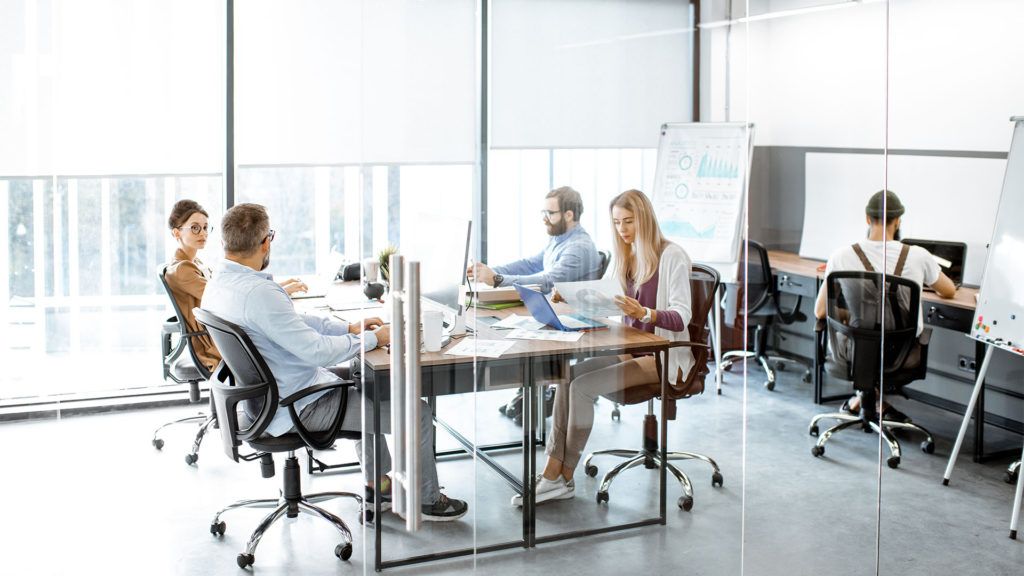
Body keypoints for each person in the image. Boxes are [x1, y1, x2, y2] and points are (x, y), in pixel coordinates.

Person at [201, 203, 467, 521]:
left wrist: (349, 328)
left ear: (226, 242)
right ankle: (427, 499)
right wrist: (375, 339)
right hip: (297, 406)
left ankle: (378, 484)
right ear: (265, 241)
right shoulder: (259, 292)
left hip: (265, 399)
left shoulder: (218, 285)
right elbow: (317, 352)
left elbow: (293, 322)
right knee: (417, 412)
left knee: (368, 381)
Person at [514, 189, 693, 506]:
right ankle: (552, 472)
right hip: (631, 350)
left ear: (645, 219)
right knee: (565, 377)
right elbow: (604, 301)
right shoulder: (629, 256)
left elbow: (681, 316)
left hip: (663, 357)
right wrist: (568, 296)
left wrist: (645, 314)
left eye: (629, 221)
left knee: (582, 387)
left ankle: (563, 476)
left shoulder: (672, 256)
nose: (623, 230)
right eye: (617, 223)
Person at [814, 189, 956, 422]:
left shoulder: (840, 256)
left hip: (854, 351)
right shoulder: (919, 256)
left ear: (867, 219)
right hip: (899, 354)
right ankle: (872, 399)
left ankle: (865, 398)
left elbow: (819, 311)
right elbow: (948, 290)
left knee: (866, 337)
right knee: (884, 341)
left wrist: (851, 314)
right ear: (898, 221)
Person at [164, 199, 307, 373]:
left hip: (222, 333)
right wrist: (280, 290)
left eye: (205, 227)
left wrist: (280, 287)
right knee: (286, 340)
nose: (203, 233)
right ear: (176, 233)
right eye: (195, 228)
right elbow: (226, 296)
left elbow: (232, 290)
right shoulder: (181, 270)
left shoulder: (195, 262)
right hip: (215, 342)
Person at [467, 186, 603, 293]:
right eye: (544, 213)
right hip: (559, 311)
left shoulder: (579, 247)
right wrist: (485, 272)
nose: (544, 219)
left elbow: (548, 282)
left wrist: (497, 279)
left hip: (573, 318)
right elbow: (530, 265)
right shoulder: (559, 239)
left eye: (550, 213)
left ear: (568, 215)